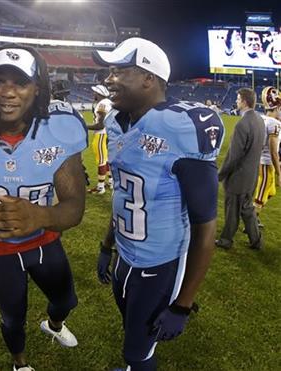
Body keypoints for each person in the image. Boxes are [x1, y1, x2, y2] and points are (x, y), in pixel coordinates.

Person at [92, 37, 225, 371]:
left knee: (137, 353)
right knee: (132, 331)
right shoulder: (116, 122)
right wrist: (107, 245)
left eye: (119, 71)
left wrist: (183, 304)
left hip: (160, 264)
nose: (109, 79)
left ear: (148, 79)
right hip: (126, 254)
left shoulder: (181, 127)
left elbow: (205, 226)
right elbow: (124, 193)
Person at [0, 44, 87, 371]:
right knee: (12, 318)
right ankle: (20, 363)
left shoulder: (59, 128)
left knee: (65, 301)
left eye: (20, 82)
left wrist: (40, 216)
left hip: (44, 240)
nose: (8, 91)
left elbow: (74, 207)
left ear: (37, 89)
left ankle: (54, 325)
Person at [216, 88, 265, 250]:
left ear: (244, 101)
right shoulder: (259, 119)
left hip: (238, 177)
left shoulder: (243, 123)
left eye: (238, 99)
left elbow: (234, 156)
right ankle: (256, 240)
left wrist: (220, 175)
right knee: (247, 209)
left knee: (232, 210)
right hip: (251, 176)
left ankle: (226, 240)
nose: (236, 102)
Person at [253, 86, 281, 220]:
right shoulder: (274, 123)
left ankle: (253, 217)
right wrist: (279, 172)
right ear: (277, 107)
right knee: (260, 196)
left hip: (261, 161)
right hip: (266, 163)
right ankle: (251, 222)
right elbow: (273, 151)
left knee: (271, 192)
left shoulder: (263, 119)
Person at [87, 84, 113, 194]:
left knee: (101, 161)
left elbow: (100, 125)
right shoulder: (108, 102)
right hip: (107, 133)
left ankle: (100, 187)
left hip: (101, 134)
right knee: (105, 159)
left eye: (95, 93)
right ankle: (111, 182)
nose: (94, 94)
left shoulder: (102, 104)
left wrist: (84, 125)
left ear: (99, 94)